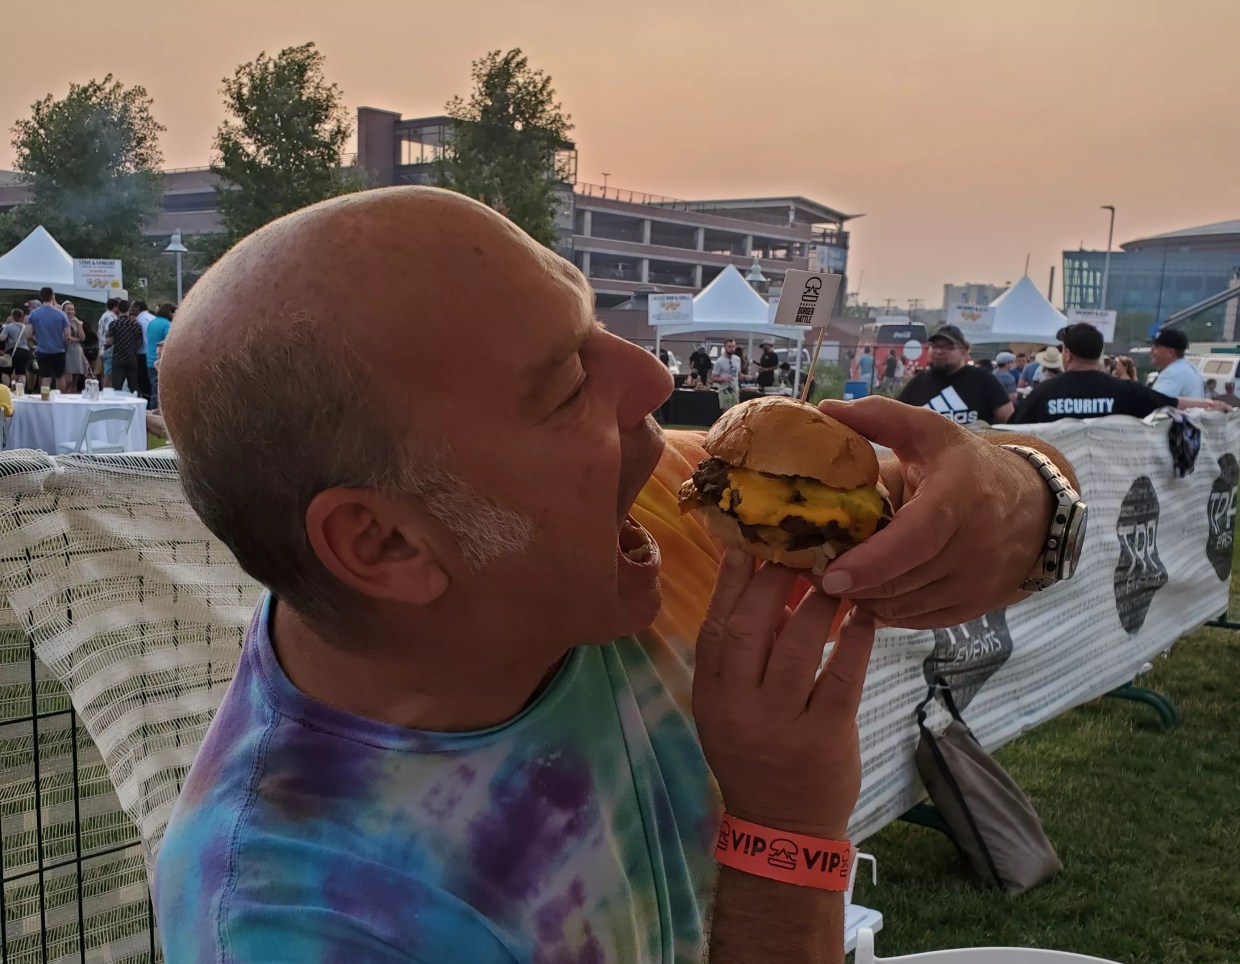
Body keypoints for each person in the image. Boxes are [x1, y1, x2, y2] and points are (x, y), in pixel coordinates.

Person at [151, 187, 1074, 962]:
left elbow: (1007, 490)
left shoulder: (665, 497)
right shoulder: (303, 916)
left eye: (597, 329)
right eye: (564, 388)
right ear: (386, 545)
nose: (652, 380)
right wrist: (786, 825)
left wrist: (1017, 495)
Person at [1012, 323, 1227, 424]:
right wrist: (1211, 405)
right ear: (1099, 355)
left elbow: (1009, 431)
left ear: (1067, 354)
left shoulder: (1043, 394)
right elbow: (1170, 403)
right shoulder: (1125, 391)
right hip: (1111, 491)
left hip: (1056, 492)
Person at [897, 324, 1013, 424]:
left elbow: (1009, 421)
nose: (939, 351)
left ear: (964, 351)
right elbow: (896, 420)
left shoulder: (984, 380)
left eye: (948, 346)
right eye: (935, 346)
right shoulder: (917, 384)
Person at [28, 287, 69, 391]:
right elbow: (67, 336)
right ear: (52, 296)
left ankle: (45, 401)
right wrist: (65, 347)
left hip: (42, 350)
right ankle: (61, 401)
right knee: (60, 378)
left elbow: (28, 334)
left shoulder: (33, 314)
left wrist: (38, 341)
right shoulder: (62, 314)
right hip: (59, 350)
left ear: (41, 296)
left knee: (45, 379)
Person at [1150, 328, 1206, 398]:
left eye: (1156, 347)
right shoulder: (1189, 367)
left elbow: (1155, 403)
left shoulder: (1174, 372)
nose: (1151, 351)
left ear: (1170, 352)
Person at [107, 303, 143, 393]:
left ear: (118, 309)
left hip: (118, 358)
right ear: (129, 309)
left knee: (117, 387)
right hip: (132, 358)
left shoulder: (113, 324)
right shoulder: (136, 324)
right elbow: (139, 342)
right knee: (134, 387)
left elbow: (110, 341)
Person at [145, 304, 174, 410]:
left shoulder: (152, 323)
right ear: (169, 313)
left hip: (149, 359)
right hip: (160, 361)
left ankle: (152, 410)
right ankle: (157, 412)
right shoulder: (167, 324)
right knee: (159, 391)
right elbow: (169, 341)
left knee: (154, 389)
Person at [711, 337, 742, 410]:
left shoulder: (737, 359)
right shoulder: (719, 361)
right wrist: (723, 379)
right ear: (725, 347)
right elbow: (713, 378)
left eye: (733, 346)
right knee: (727, 412)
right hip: (724, 390)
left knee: (736, 412)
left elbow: (739, 374)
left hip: (735, 389)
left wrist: (745, 377)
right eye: (729, 347)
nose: (732, 349)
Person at [62, 302, 88, 391]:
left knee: (75, 380)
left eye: (72, 309)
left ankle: (72, 396)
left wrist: (79, 324)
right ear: (63, 311)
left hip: (77, 351)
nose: (70, 311)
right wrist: (77, 340)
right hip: (66, 350)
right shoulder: (62, 321)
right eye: (68, 309)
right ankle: (63, 395)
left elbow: (82, 338)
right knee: (68, 379)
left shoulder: (76, 322)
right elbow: (66, 337)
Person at [1, 309, 29, 387]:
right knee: (21, 373)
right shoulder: (26, 327)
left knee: (6, 372)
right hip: (24, 351)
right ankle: (20, 391)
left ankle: (7, 388)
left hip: (11, 351)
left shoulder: (8, 327)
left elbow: (2, 338)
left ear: (12, 316)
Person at [98, 297, 119, 385]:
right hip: (109, 349)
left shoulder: (104, 315)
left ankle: (105, 391)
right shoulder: (111, 316)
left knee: (106, 372)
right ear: (115, 307)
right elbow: (110, 330)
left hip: (103, 348)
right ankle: (107, 393)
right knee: (109, 374)